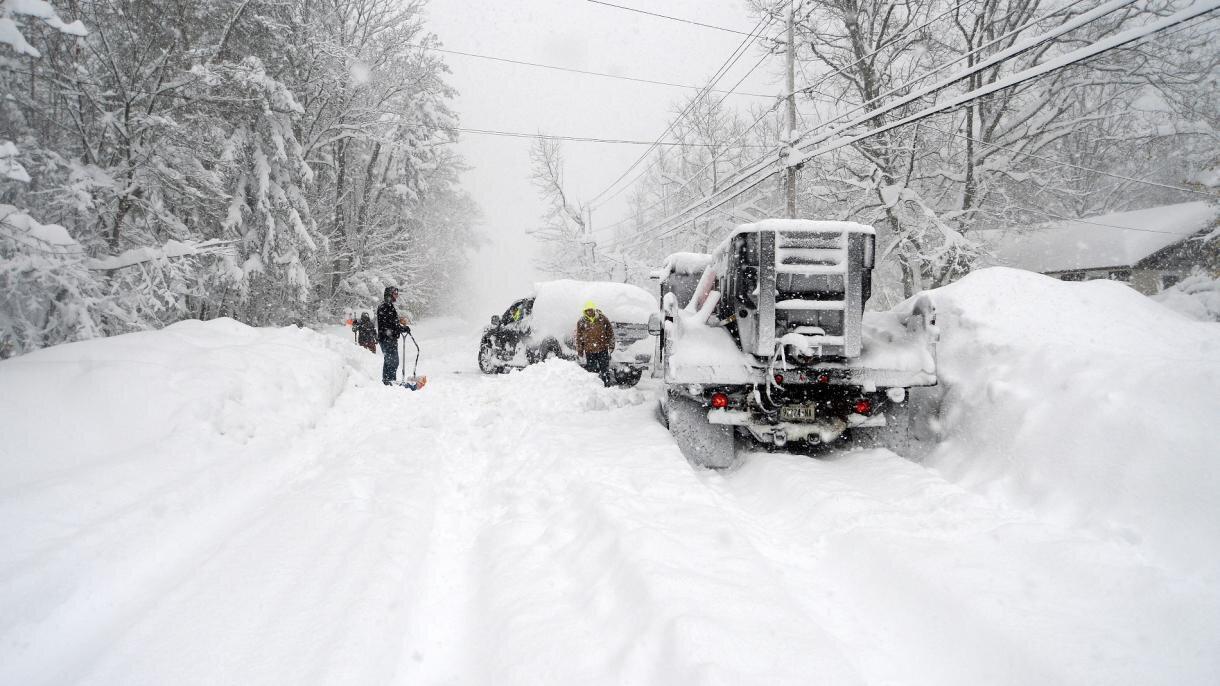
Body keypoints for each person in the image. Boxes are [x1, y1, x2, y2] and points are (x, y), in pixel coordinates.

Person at [575, 300, 616, 387]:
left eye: (590, 310)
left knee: (605, 369)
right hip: (589, 351)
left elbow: (610, 333)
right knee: (592, 371)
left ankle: (607, 385)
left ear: (594, 310)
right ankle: (594, 388)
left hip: (602, 349)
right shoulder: (581, 322)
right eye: (587, 310)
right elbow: (579, 338)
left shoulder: (602, 319)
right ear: (585, 311)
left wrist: (611, 345)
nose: (589, 312)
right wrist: (580, 351)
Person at [377, 286, 411, 385]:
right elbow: (389, 324)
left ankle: (389, 381)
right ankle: (389, 382)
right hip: (387, 338)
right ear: (389, 294)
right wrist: (400, 328)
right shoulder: (385, 306)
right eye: (394, 294)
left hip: (389, 338)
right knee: (392, 361)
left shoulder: (388, 306)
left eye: (397, 294)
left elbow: (393, 323)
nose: (396, 296)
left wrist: (401, 328)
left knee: (391, 361)